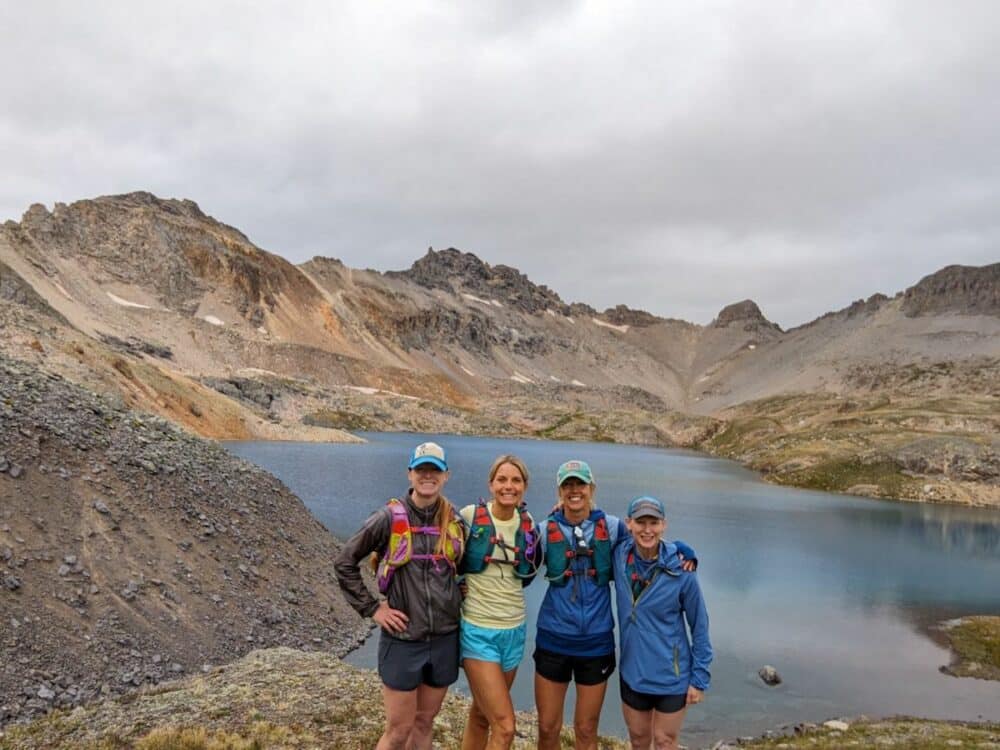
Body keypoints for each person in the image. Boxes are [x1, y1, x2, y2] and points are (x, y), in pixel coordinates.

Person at [534, 460, 697, 750]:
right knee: (547, 728)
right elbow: (520, 568)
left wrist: (682, 549)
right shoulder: (544, 530)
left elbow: (647, 539)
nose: (574, 490)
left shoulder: (611, 527)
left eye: (580, 484)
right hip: (553, 639)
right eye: (568, 485)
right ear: (559, 491)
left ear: (591, 488)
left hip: (596, 643)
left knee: (586, 729)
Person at [334, 441, 465, 750]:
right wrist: (373, 609)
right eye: (421, 469)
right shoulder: (388, 518)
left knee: (424, 723)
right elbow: (344, 562)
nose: (428, 476)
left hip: (445, 638)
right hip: (404, 639)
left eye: (435, 470)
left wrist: (460, 591)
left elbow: (463, 567)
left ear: (446, 475)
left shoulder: (455, 520)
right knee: (398, 731)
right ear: (410, 474)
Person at [615, 495, 712, 750]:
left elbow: (700, 626)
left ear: (664, 525)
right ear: (629, 524)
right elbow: (588, 517)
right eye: (641, 522)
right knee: (638, 741)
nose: (647, 530)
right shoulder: (619, 556)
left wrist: (699, 678)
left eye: (654, 523)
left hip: (672, 677)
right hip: (633, 673)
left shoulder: (681, 570)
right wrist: (561, 508)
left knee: (665, 741)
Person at [458, 454, 541, 750]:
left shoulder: (529, 525)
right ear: (490, 484)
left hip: (514, 631)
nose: (509, 486)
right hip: (478, 630)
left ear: (525, 486)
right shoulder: (469, 517)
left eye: (516, 480)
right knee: (505, 727)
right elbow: (443, 556)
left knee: (482, 715)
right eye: (502, 479)